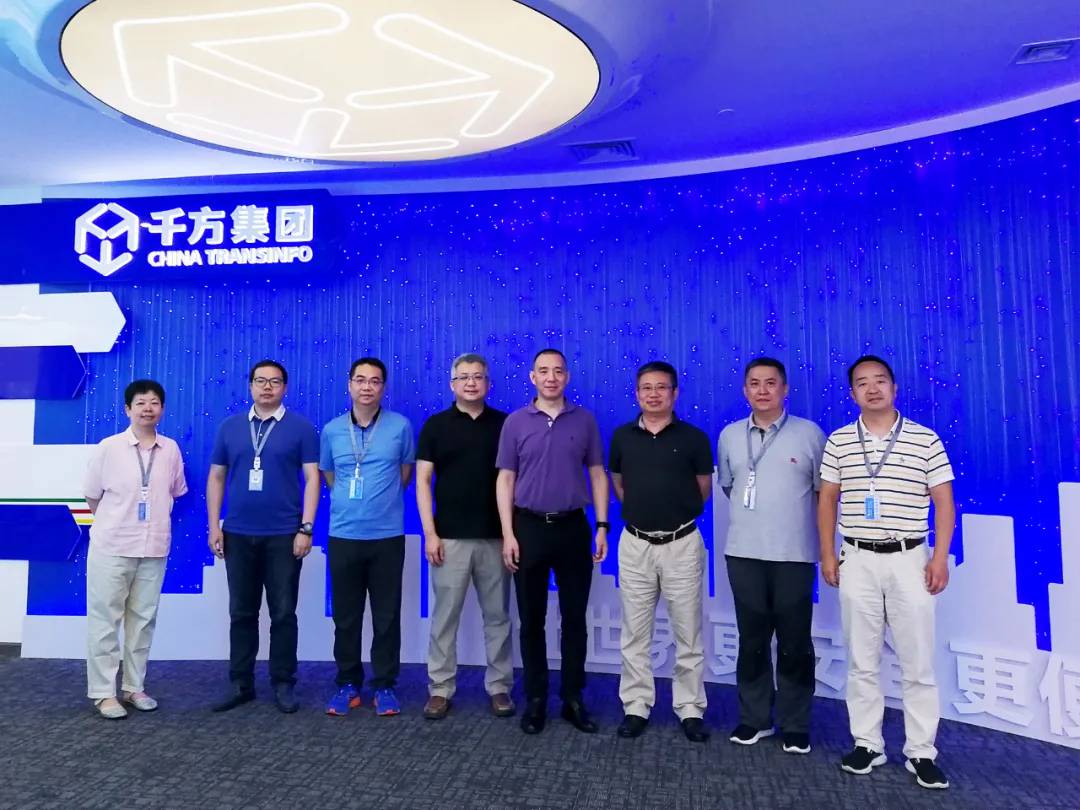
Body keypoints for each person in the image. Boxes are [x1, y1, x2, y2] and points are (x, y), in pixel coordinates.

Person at [818, 354, 955, 790]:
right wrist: (827, 554)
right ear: (852, 393)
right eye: (862, 383)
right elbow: (827, 499)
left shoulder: (924, 439)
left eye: (880, 381)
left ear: (894, 388)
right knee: (861, 659)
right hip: (856, 557)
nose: (872, 388)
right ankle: (867, 743)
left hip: (909, 558)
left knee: (918, 661)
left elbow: (944, 501)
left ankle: (921, 751)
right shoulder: (840, 440)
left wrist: (939, 558)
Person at [497, 348, 609, 735]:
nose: (551, 377)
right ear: (532, 378)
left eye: (558, 371)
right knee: (532, 621)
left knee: (574, 618)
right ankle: (536, 699)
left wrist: (602, 525)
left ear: (567, 377)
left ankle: (573, 698)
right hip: (528, 528)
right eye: (543, 371)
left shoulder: (585, 420)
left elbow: (597, 473)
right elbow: (505, 479)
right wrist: (508, 533)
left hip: (572, 528)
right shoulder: (515, 422)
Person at [717, 357, 826, 754]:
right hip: (744, 554)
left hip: (793, 555)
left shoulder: (810, 434)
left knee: (795, 642)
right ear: (745, 390)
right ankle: (755, 718)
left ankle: (795, 724)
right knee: (752, 640)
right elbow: (729, 485)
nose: (762, 390)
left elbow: (824, 493)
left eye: (770, 383)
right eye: (754, 383)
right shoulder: (730, 435)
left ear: (785, 389)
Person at [207, 360, 319, 714]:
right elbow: (216, 477)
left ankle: (283, 682)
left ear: (285, 387)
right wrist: (214, 526)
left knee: (283, 613)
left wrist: (306, 528)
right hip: (238, 533)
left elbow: (313, 480)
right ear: (250, 385)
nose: (267, 387)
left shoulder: (301, 428)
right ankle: (241, 683)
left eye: (274, 381)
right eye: (260, 381)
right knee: (241, 612)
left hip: (284, 535)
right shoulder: (230, 427)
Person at [609, 361, 714, 742]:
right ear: (637, 393)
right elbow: (619, 484)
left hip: (681, 544)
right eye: (646, 388)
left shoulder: (694, 438)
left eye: (661, 387)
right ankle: (636, 705)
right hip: (635, 543)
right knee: (635, 632)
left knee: (688, 631)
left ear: (675, 393)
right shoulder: (622, 437)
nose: (653, 394)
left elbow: (702, 489)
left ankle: (690, 708)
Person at [83, 379, 188, 719]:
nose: (147, 408)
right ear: (128, 409)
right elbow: (92, 496)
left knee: (142, 621)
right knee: (105, 621)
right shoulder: (109, 447)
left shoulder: (170, 449)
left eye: (154, 402)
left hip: (153, 547)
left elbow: (175, 491)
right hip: (112, 546)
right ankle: (103, 693)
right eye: (140, 403)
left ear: (162, 409)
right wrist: (117, 523)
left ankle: (133, 687)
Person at [417, 353, 514, 720]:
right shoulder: (435, 426)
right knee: (445, 619)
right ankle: (440, 689)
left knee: (498, 618)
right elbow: (422, 482)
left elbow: (513, 481)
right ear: (452, 384)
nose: (471, 383)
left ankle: (500, 687)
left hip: (495, 538)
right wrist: (430, 533)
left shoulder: (506, 424)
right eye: (464, 377)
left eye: (478, 377)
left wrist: (511, 534)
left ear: (488, 383)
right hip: (449, 540)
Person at [320, 357, 415, 717]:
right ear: (349, 385)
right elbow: (330, 475)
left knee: (386, 616)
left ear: (383, 388)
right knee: (346, 616)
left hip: (387, 536)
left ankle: (385, 685)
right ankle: (347, 684)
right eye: (360, 380)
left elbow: (404, 473)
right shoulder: (332, 430)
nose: (367, 387)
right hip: (344, 535)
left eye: (374, 381)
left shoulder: (400, 427)